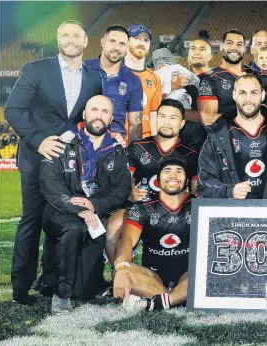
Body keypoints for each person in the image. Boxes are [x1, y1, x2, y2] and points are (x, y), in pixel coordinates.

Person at [4, 20, 102, 304]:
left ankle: (49, 281)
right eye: (64, 35)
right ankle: (21, 287)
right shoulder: (37, 69)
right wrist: (39, 140)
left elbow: (85, 120)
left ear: (85, 42)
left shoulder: (93, 78)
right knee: (32, 221)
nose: (70, 40)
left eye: (76, 36)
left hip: (69, 165)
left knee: (59, 221)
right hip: (37, 158)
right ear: (57, 39)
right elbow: (13, 110)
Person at [39, 95, 131, 313]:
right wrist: (77, 209)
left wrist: (95, 205)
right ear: (84, 114)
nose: (98, 116)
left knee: (85, 292)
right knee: (74, 227)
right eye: (94, 110)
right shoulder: (62, 142)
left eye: (105, 112)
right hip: (60, 212)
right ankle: (60, 297)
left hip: (95, 215)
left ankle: (53, 280)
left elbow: (121, 189)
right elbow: (49, 183)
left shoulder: (117, 150)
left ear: (111, 119)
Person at [106, 99, 199, 276]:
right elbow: (124, 183)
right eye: (162, 116)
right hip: (141, 208)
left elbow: (195, 191)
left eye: (173, 118)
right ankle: (121, 278)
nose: (166, 121)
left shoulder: (191, 153)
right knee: (114, 226)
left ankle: (186, 276)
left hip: (175, 210)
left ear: (182, 123)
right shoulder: (138, 147)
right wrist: (130, 194)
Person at [197, 74, 267, 200]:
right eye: (242, 93)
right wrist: (229, 191)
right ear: (234, 95)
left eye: (254, 93)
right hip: (234, 215)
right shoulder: (217, 134)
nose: (248, 99)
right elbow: (205, 181)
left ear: (262, 95)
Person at [113, 157, 192, 311]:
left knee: (209, 272)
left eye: (179, 171)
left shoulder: (197, 204)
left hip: (188, 276)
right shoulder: (144, 207)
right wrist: (122, 268)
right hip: (153, 277)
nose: (173, 176)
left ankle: (161, 301)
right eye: (167, 171)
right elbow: (127, 239)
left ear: (187, 180)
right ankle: (177, 297)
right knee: (122, 269)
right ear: (158, 179)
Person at [85, 25, 143, 142]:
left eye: (122, 44)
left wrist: (131, 153)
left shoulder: (133, 80)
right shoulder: (83, 69)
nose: (116, 47)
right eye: (112, 41)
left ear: (127, 47)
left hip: (114, 145)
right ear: (102, 42)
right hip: (82, 142)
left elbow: (135, 124)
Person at [198, 29, 253, 126]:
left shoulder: (254, 75)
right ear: (221, 47)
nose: (234, 48)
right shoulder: (209, 78)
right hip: (226, 138)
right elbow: (208, 119)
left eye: (239, 44)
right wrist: (248, 120)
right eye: (229, 43)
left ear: (245, 49)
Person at [124, 23, 162, 138]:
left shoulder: (154, 78)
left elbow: (153, 117)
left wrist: (153, 145)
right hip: (117, 142)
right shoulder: (113, 73)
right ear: (127, 42)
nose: (142, 43)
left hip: (144, 143)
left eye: (146, 40)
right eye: (136, 39)